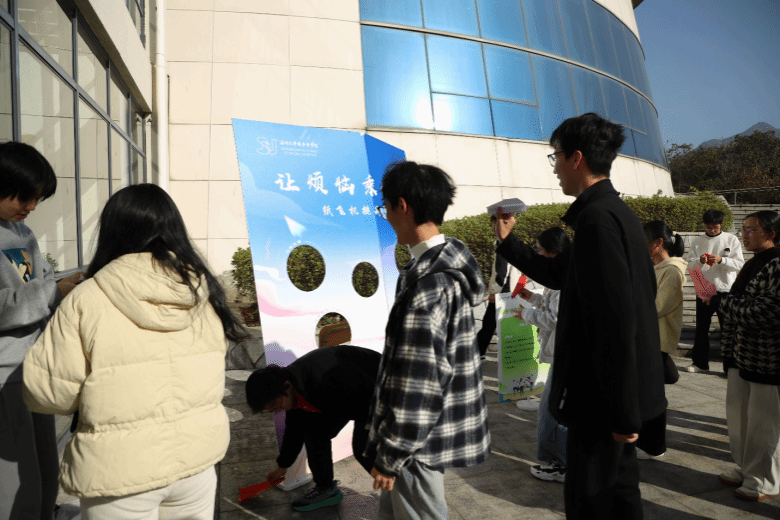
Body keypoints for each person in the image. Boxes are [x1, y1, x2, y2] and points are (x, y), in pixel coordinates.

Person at [22, 184, 246, 520]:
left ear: (113, 231)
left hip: (120, 472)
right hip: (197, 463)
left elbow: (49, 393)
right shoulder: (204, 293)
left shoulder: (87, 298)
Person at [495, 113, 666, 520]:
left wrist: (622, 411)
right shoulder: (612, 212)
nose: (554, 168)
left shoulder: (597, 220)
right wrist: (508, 241)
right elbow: (562, 275)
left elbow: (615, 322)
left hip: (600, 402)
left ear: (576, 158)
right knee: (618, 496)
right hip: (610, 398)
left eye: (555, 157)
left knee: (594, 501)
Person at [366, 161, 490, 520]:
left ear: (402, 206)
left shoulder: (430, 285)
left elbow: (419, 382)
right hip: (427, 435)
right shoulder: (444, 270)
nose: (386, 217)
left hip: (417, 443)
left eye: (385, 208)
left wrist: (391, 454)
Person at [0, 141, 83, 520]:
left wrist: (66, 287)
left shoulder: (22, 233)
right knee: (17, 480)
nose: (31, 207)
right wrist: (52, 291)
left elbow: (43, 282)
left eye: (37, 199)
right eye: (24, 197)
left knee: (47, 467)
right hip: (5, 376)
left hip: (34, 367)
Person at [244, 345, 381, 512]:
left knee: (363, 449)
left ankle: (401, 490)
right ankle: (326, 489)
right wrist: (283, 466)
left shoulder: (323, 380)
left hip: (380, 388)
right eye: (270, 409)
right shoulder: (294, 389)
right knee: (314, 433)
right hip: (348, 394)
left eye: (275, 405)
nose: (276, 411)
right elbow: (294, 430)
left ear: (287, 386)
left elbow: (367, 408)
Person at [716, 211, 780, 502]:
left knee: (763, 425)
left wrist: (726, 304)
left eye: (751, 230)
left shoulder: (777, 264)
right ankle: (746, 468)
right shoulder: (753, 262)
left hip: (767, 359)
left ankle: (764, 481)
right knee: (739, 417)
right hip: (741, 352)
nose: (744, 234)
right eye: (743, 229)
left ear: (771, 234)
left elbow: (766, 311)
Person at [514, 227, 570, 483]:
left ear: (552, 252)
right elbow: (551, 307)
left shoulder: (563, 280)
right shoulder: (559, 277)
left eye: (539, 250)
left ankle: (561, 463)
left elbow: (554, 318)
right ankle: (560, 461)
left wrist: (525, 314)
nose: (537, 255)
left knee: (552, 411)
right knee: (553, 409)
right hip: (561, 353)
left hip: (564, 354)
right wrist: (533, 298)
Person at [636, 220, 687, 461]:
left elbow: (657, 307)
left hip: (656, 341)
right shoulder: (657, 268)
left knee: (653, 397)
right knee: (646, 393)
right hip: (647, 339)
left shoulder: (672, 270)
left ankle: (654, 446)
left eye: (644, 241)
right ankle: (647, 442)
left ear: (658, 243)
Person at [685, 209, 744, 373]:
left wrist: (721, 260)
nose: (712, 230)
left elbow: (739, 264)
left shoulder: (731, 239)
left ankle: (730, 367)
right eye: (709, 227)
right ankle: (700, 364)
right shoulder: (698, 241)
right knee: (701, 328)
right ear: (705, 225)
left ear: (722, 224)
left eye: (715, 227)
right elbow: (690, 266)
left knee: (728, 329)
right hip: (704, 288)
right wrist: (699, 260)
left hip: (725, 288)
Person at [476, 214, 522, 359]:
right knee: (499, 324)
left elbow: (501, 272)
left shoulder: (503, 245)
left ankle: (477, 353)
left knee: (489, 324)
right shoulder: (514, 242)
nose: (495, 228)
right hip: (512, 290)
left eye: (497, 224)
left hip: (502, 293)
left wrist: (493, 292)